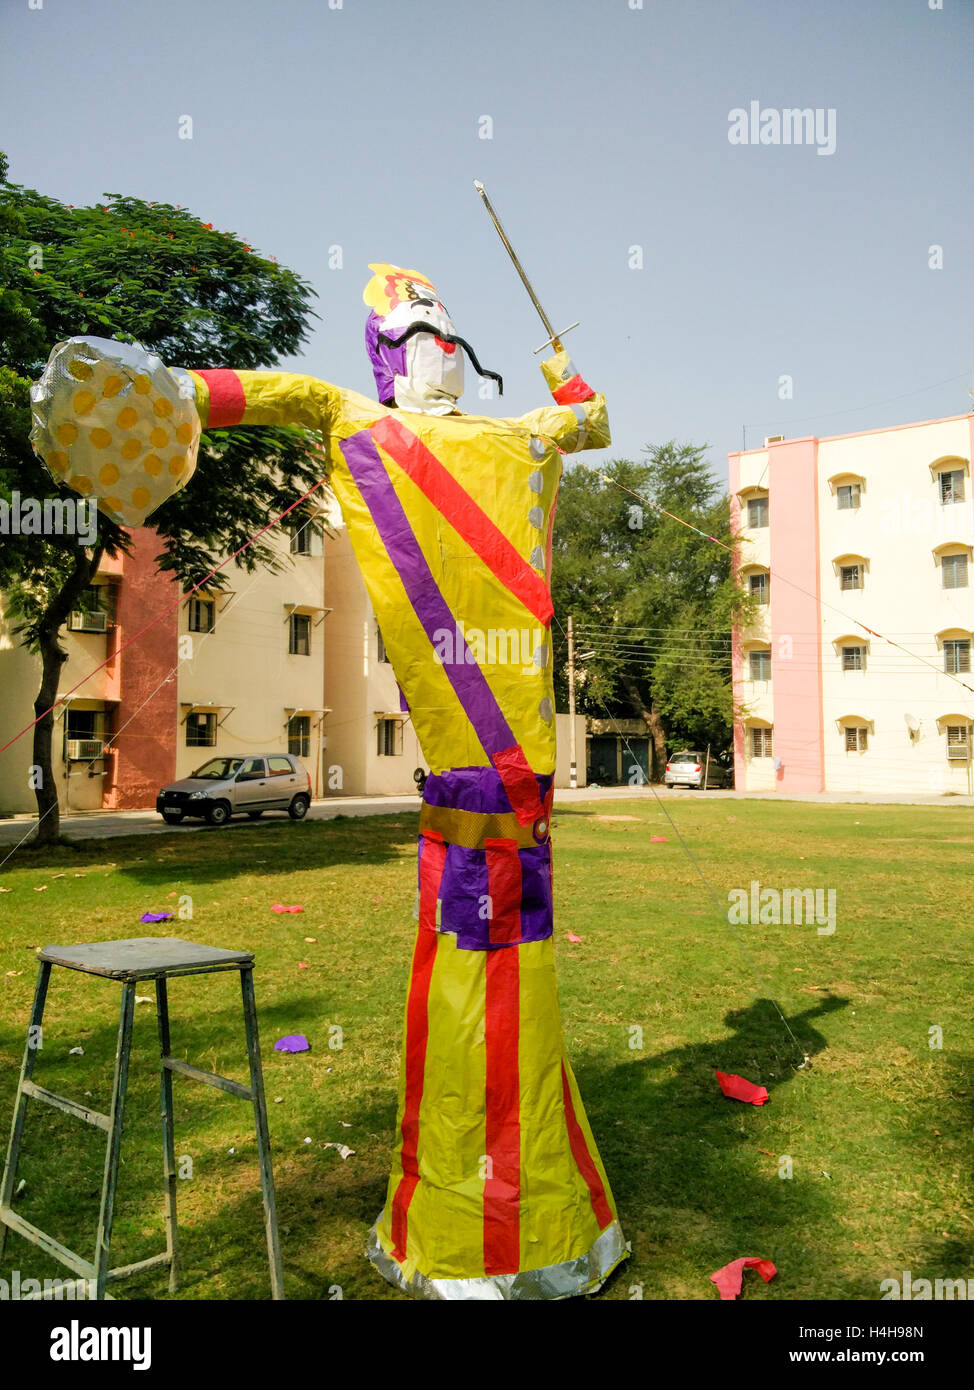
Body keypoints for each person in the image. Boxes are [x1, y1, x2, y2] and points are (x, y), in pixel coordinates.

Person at [30, 263, 627, 1299]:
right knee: (478, 977)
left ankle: (511, 1215)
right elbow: (271, 394)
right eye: (416, 343)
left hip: (506, 792)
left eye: (446, 342)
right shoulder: (360, 420)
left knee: (494, 980)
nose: (435, 357)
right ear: (386, 361)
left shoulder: (505, 438)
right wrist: (159, 393)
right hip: (480, 783)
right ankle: (485, 1224)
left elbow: (589, 424)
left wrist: (564, 373)